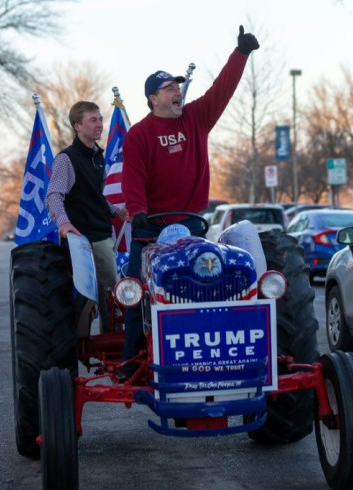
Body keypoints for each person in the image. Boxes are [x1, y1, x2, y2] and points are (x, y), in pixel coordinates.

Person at [118, 25, 260, 378]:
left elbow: (221, 90)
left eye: (178, 86)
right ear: (153, 98)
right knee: (135, 293)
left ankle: (219, 350)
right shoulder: (139, 135)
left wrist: (239, 54)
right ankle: (130, 360)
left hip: (193, 228)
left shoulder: (196, 118)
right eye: (169, 88)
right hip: (151, 232)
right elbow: (131, 180)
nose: (177, 91)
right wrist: (138, 215)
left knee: (214, 282)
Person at [45, 101, 129, 333]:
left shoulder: (97, 158)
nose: (100, 124)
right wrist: (63, 222)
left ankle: (112, 343)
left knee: (113, 296)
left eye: (101, 119)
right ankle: (77, 347)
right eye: (93, 120)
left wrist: (116, 212)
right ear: (77, 126)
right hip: (79, 240)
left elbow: (96, 196)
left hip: (101, 234)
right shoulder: (67, 159)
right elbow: (53, 195)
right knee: (84, 300)